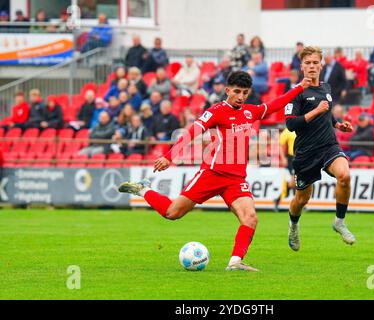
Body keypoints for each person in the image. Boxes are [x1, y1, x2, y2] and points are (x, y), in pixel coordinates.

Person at [118, 70, 312, 271]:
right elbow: (192, 132)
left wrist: (299, 87)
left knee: (250, 217)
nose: (241, 97)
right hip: (212, 173)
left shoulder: (249, 112)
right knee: (172, 213)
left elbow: (275, 105)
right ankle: (143, 189)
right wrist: (169, 156)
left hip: (236, 179)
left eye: (245, 93)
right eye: (237, 91)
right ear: (227, 90)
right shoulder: (216, 111)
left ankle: (235, 262)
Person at [285, 46, 356, 251]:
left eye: (315, 62)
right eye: (308, 63)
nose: (312, 66)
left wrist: (337, 124)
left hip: (328, 146)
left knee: (345, 175)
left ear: (321, 65)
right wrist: (317, 110)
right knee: (301, 199)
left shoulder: (326, 87)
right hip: (306, 152)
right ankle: (293, 225)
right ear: (302, 66)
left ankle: (339, 222)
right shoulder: (295, 93)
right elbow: (291, 125)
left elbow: (327, 113)